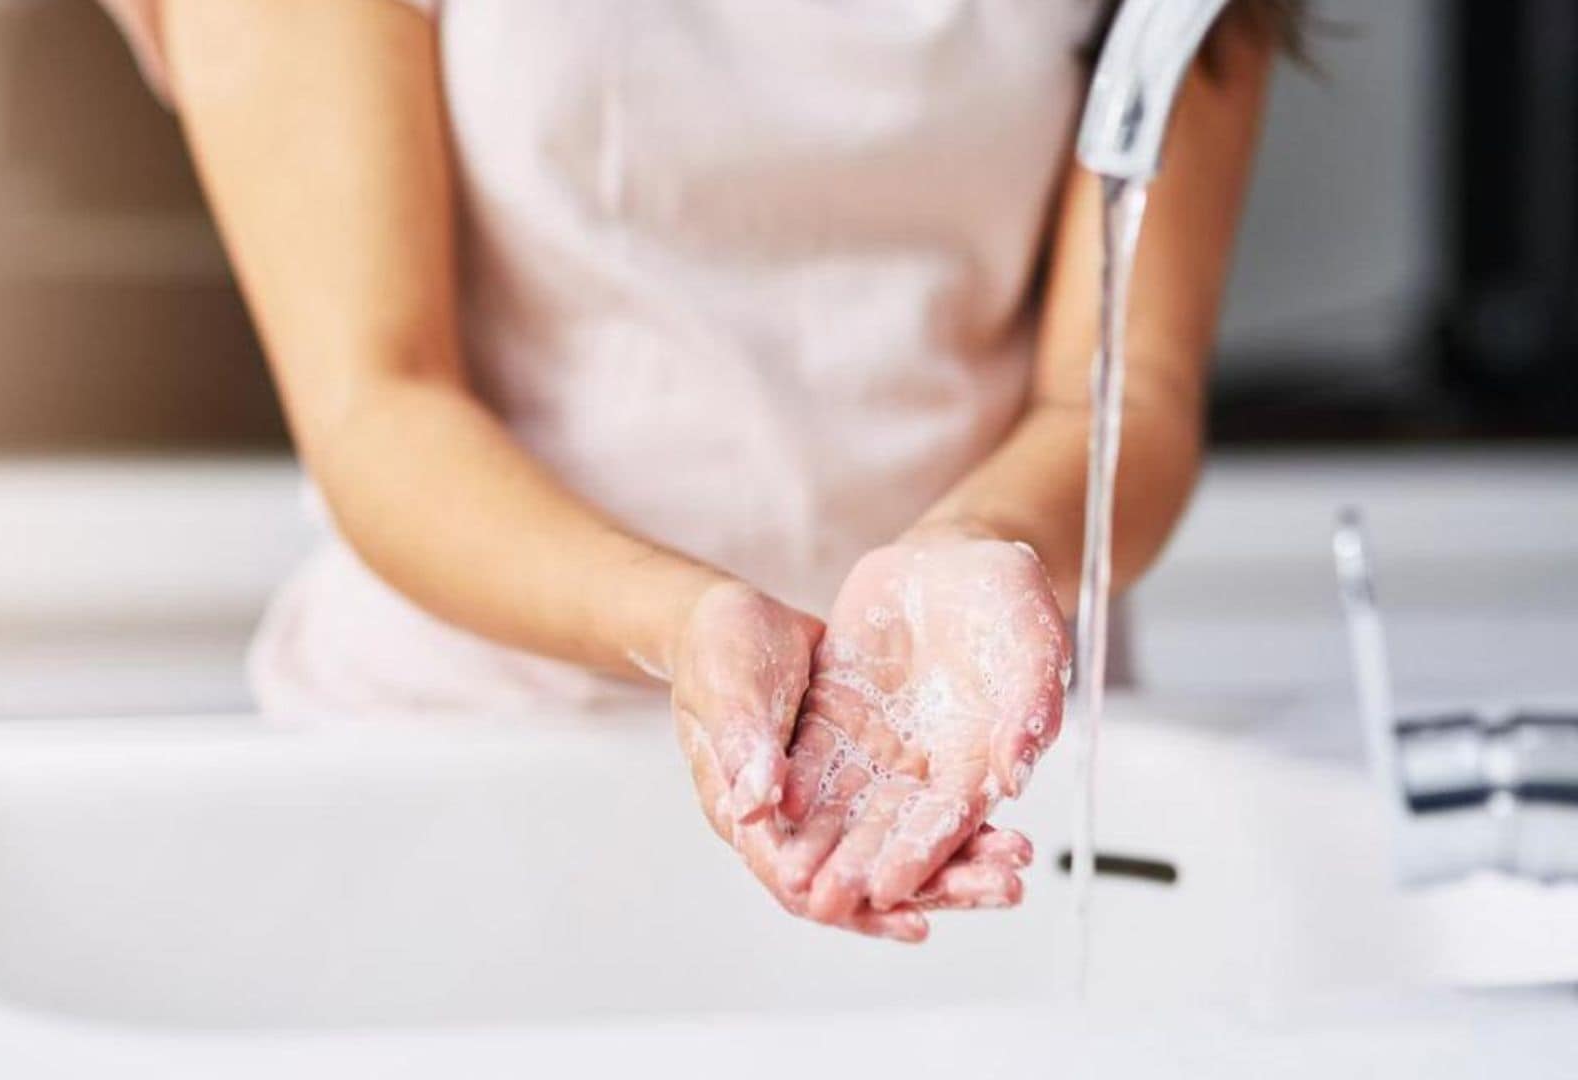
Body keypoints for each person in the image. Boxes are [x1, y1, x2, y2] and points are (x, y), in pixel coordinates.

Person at [100, 0, 1287, 943]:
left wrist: (981, 540)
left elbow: (1120, 391)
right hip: (464, 766)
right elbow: (380, 402)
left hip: (963, 775)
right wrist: (683, 620)